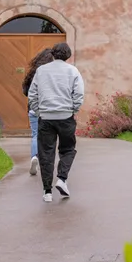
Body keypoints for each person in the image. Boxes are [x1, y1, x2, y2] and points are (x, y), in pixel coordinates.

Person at [26, 42, 83, 202]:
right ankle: (62, 179)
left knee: (46, 154)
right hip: (65, 117)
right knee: (68, 150)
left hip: (46, 118)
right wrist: (73, 110)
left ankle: (47, 192)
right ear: (68, 55)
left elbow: (32, 94)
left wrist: (39, 111)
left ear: (53, 54)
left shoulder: (41, 71)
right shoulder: (73, 71)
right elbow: (78, 93)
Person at [21, 48, 55, 177]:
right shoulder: (52, 73)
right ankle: (46, 163)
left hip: (34, 109)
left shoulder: (32, 73)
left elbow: (25, 91)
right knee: (50, 138)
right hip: (50, 109)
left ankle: (34, 156)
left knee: (36, 135)